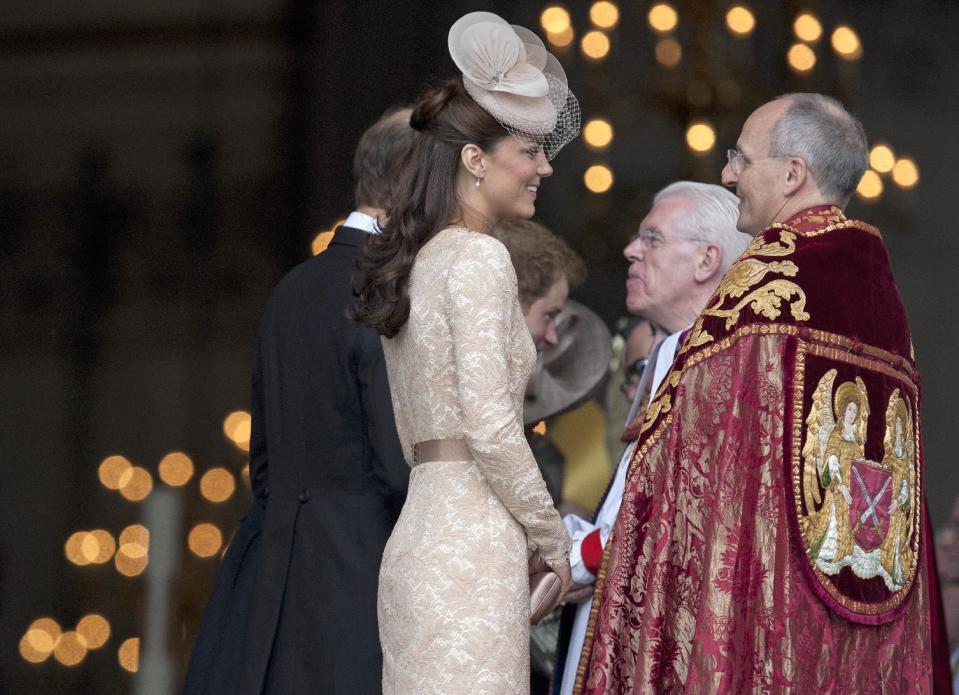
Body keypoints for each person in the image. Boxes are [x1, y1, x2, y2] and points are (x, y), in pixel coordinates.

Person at [580, 93, 951, 693]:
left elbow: (682, 460)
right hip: (859, 620)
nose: (728, 175)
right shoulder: (883, 296)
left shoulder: (768, 282)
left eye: (740, 159)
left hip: (766, 618)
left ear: (792, 175)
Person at [352, 11, 580, 694]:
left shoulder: (421, 260)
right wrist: (551, 538)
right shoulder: (479, 258)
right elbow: (487, 424)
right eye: (529, 151)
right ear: (475, 160)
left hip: (420, 539)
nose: (544, 166)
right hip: (470, 549)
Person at [182, 107, 414, 695]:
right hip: (363, 574)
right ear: (412, 184)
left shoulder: (293, 287)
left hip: (274, 573)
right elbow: (395, 463)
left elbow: (263, 463)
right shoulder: (384, 289)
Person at [555, 182, 748, 695]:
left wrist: (569, 558)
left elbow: (669, 515)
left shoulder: (715, 365)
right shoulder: (677, 352)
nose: (630, 250)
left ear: (707, 260)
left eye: (652, 238)